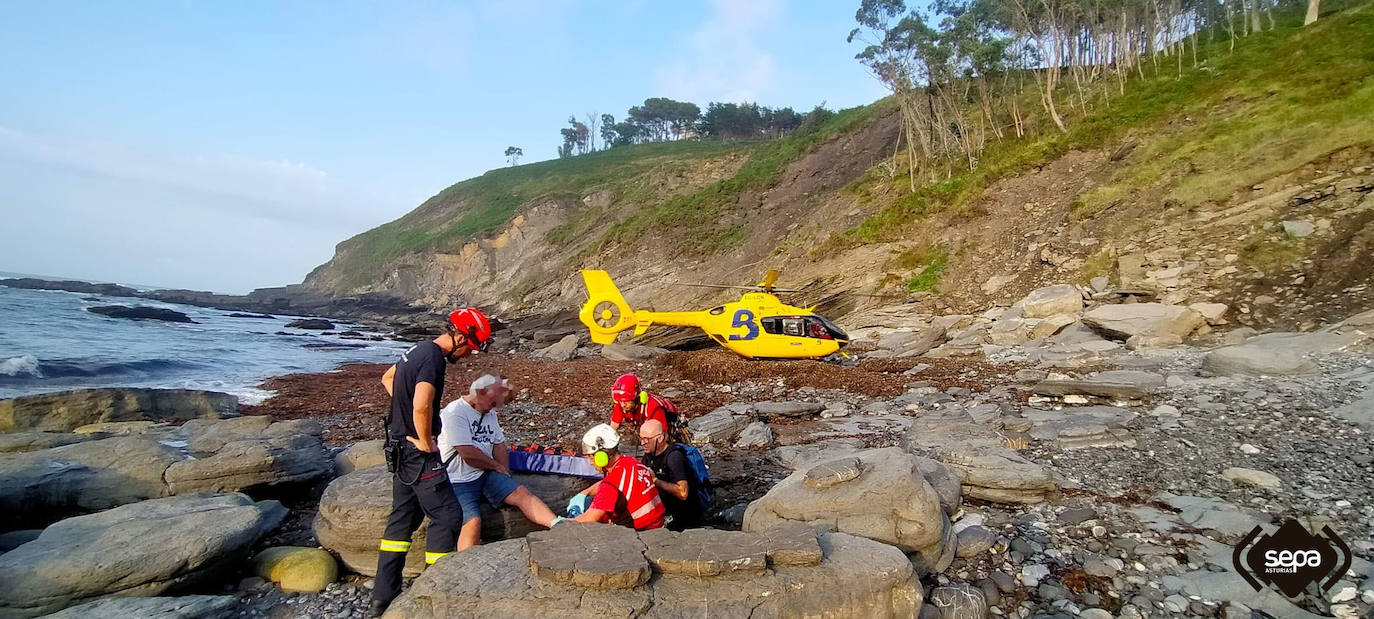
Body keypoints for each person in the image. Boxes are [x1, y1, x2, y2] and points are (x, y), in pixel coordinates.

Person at [370, 308, 490, 618]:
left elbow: (388, 378)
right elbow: (422, 404)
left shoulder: (416, 350)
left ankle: (382, 596)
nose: (469, 354)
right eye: (471, 347)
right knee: (448, 516)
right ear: (460, 336)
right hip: (417, 453)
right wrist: (424, 439)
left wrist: (404, 411)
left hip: (398, 449)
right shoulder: (433, 358)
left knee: (402, 518)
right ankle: (435, 592)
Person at [438, 374, 562, 551]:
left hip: (484, 473)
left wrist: (504, 473)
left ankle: (558, 525)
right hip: (458, 480)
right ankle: (465, 561)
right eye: (493, 403)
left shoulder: (489, 413)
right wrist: (495, 466)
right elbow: (468, 454)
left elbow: (499, 445)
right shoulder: (454, 413)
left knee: (521, 493)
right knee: (473, 521)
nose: (494, 408)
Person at [570, 423, 665, 531]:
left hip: (641, 533)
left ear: (602, 456)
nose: (591, 463)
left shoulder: (611, 484)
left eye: (591, 458)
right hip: (658, 524)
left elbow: (589, 519)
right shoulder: (631, 462)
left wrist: (559, 522)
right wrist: (584, 493)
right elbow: (614, 483)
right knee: (588, 500)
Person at [638, 419, 706, 531]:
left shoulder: (674, 457)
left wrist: (655, 480)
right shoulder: (648, 456)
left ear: (660, 438)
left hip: (684, 513)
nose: (642, 443)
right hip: (664, 509)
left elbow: (683, 492)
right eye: (640, 438)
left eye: (646, 439)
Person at [608, 373, 680, 438]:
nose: (623, 405)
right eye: (620, 401)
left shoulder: (654, 409)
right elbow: (614, 425)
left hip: (668, 422)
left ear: (637, 397)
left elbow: (663, 437)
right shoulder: (621, 403)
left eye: (626, 401)